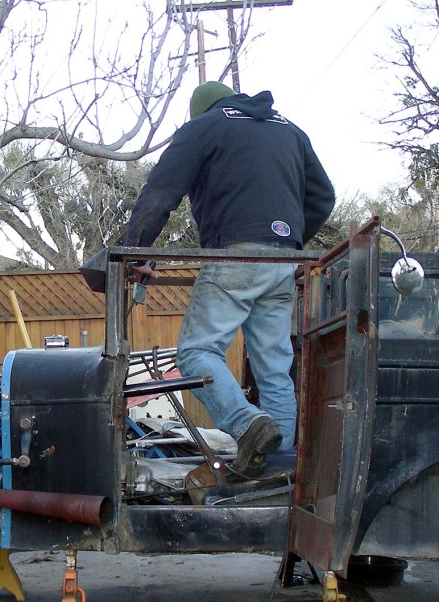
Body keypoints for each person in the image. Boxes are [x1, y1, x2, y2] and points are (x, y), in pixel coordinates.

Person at [124, 81, 335, 477]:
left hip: (234, 255)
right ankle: (276, 474)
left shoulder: (205, 127)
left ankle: (246, 424)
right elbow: (323, 196)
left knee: (195, 353)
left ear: (201, 110)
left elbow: (161, 191)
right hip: (285, 259)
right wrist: (288, 241)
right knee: (274, 370)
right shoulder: (289, 129)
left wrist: (137, 251)